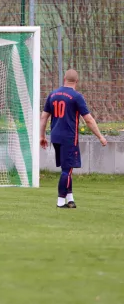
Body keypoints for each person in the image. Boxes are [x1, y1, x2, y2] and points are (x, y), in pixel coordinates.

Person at [40, 69, 107, 208]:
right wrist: (100, 136)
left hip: (55, 137)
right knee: (67, 170)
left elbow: (44, 116)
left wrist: (42, 135)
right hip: (69, 138)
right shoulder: (76, 96)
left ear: (64, 78)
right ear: (77, 81)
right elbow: (88, 119)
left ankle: (70, 199)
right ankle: (60, 202)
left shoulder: (52, 94)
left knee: (66, 168)